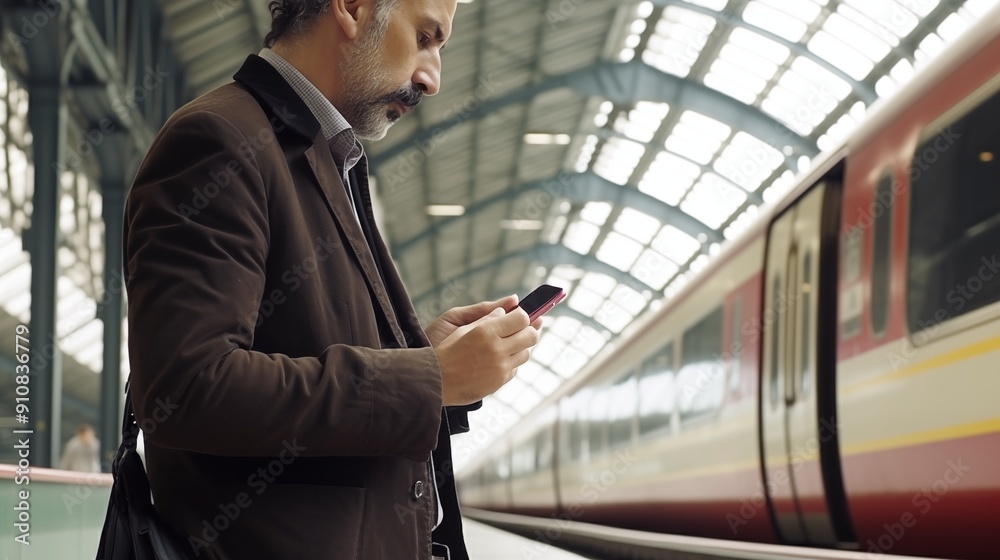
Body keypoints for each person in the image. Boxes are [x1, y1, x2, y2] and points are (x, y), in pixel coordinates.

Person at [121, 0, 541, 558]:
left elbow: (307, 349)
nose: (432, 79)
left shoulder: (324, 158)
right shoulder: (220, 140)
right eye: (425, 38)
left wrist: (427, 356)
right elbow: (188, 389)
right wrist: (429, 379)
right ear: (352, 8)